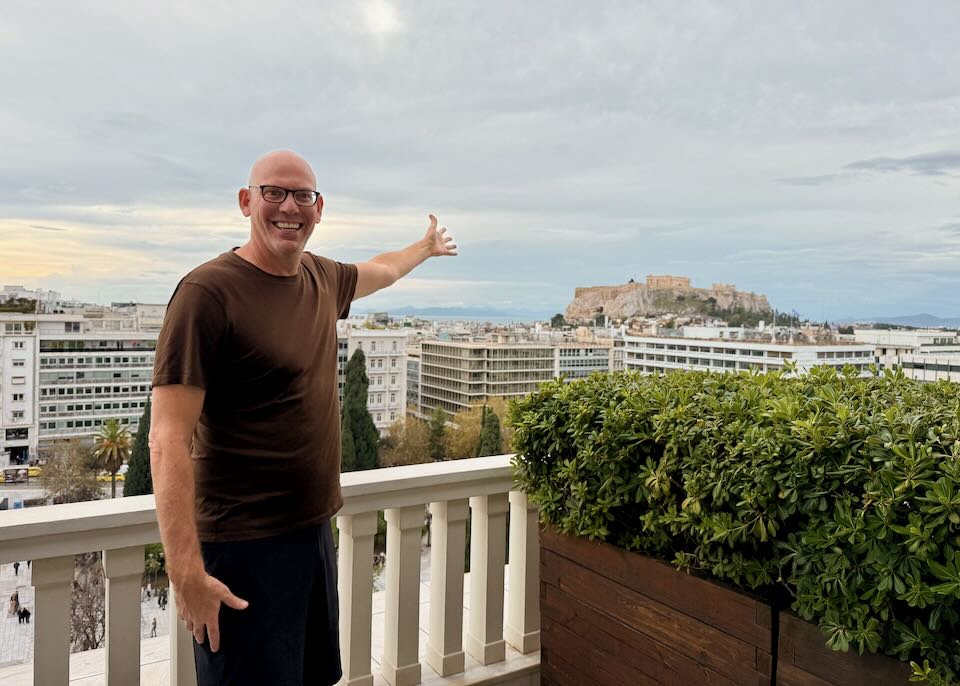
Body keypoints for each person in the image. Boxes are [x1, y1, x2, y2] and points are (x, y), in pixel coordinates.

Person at [150, 150, 456, 686]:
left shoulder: (321, 277)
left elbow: (382, 269)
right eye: (273, 192)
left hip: (312, 533)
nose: (289, 207)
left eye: (303, 196)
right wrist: (185, 573)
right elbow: (166, 437)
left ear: (319, 208)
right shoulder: (208, 294)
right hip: (243, 547)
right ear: (246, 202)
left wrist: (425, 248)